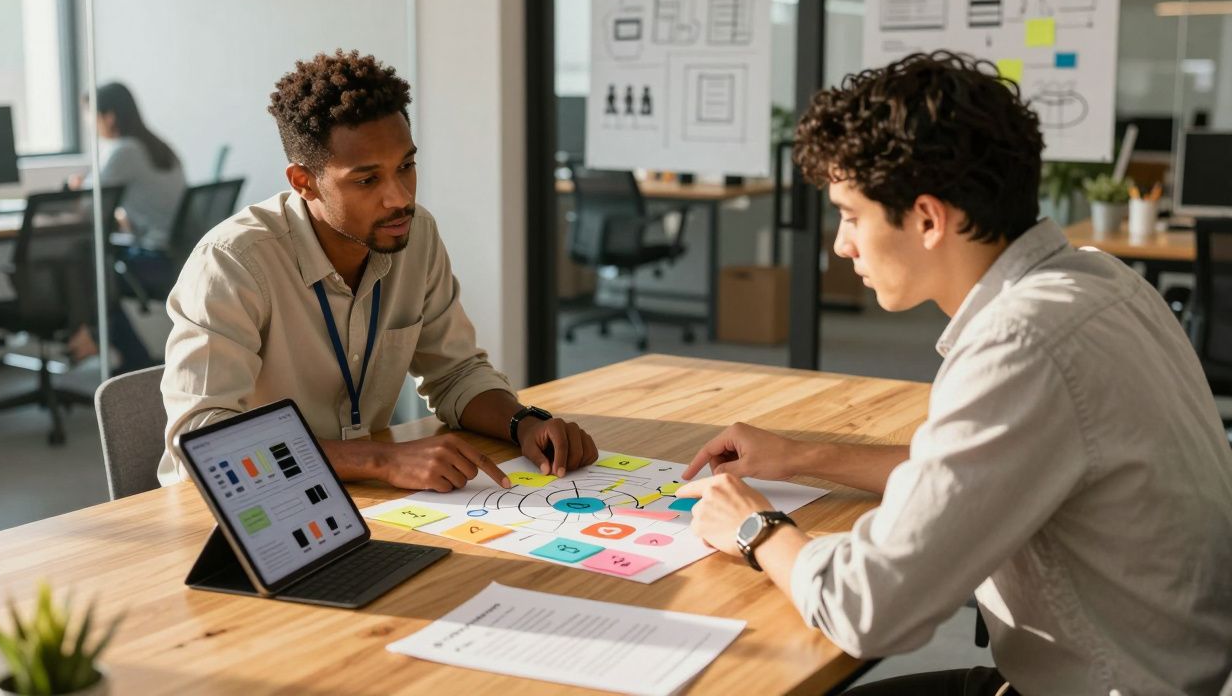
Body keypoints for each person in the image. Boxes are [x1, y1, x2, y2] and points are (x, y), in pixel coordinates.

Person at [676, 51, 1232, 695]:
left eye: (851, 215)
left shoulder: (1021, 343)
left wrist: (753, 526)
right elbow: (975, 473)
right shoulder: (1099, 278)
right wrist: (802, 455)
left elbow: (868, 609)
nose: (840, 244)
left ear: (928, 218)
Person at [158, 49, 599, 491]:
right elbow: (203, 441)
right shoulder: (233, 261)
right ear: (303, 181)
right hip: (243, 510)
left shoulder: (415, 233)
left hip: (358, 497)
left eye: (406, 166)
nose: (400, 197)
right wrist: (380, 460)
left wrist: (522, 423)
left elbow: (456, 372)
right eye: (368, 180)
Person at [68, 81, 186, 373]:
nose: (88, 123)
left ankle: (127, 358)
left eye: (89, 115)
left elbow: (87, 208)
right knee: (97, 273)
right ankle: (104, 344)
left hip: (153, 260)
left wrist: (76, 189)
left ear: (108, 117)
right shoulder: (158, 146)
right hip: (175, 255)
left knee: (94, 279)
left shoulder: (125, 151)